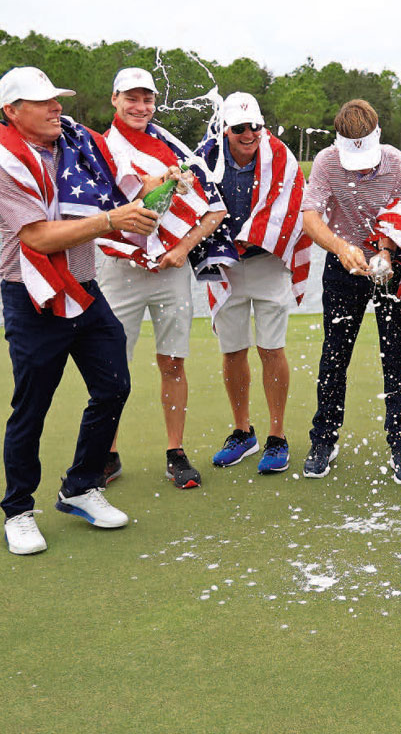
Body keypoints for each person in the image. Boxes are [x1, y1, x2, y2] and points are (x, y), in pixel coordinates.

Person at [0, 66, 155, 555]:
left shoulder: (78, 142)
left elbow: (125, 192)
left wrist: (161, 188)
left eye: (56, 99)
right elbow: (36, 236)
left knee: (114, 386)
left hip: (84, 288)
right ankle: (18, 509)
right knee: (32, 407)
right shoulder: (2, 166)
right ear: (12, 112)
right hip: (31, 294)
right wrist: (108, 220)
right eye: (42, 102)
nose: (56, 107)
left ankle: (80, 486)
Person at [98, 67, 227, 489]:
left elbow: (214, 208)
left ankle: (175, 453)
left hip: (170, 271)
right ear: (114, 99)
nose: (140, 107)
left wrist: (182, 248)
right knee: (111, 366)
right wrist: (146, 190)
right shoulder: (99, 148)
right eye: (131, 98)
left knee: (172, 361)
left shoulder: (169, 146)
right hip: (120, 269)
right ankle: (106, 453)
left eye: (147, 99)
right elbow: (98, 207)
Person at [299, 100, 401, 484]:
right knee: (334, 354)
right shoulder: (325, 162)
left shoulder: (400, 164)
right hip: (342, 264)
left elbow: (399, 218)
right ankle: (323, 440)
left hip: (388, 264)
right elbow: (310, 216)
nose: (364, 167)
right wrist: (340, 247)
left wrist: (384, 250)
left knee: (396, 354)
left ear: (377, 136)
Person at [197, 92, 312, 475]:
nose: (249, 134)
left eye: (255, 127)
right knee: (232, 350)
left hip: (268, 262)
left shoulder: (281, 155)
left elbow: (291, 208)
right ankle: (243, 432)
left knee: (271, 347)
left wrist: (252, 237)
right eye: (240, 128)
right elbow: (191, 203)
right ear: (225, 128)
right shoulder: (205, 155)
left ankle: (277, 436)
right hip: (225, 265)